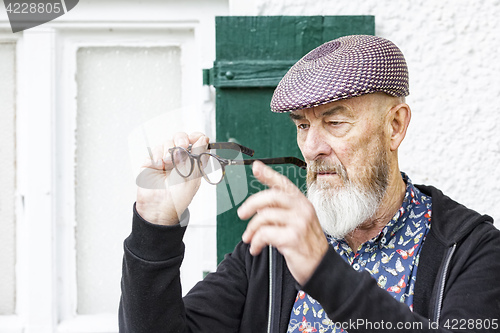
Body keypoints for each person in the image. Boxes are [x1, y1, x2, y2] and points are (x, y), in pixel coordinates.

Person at [119, 35, 500, 332]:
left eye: (335, 123)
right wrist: (155, 227)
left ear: (394, 126)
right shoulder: (270, 251)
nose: (313, 148)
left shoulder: (471, 249)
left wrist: (323, 272)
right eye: (303, 125)